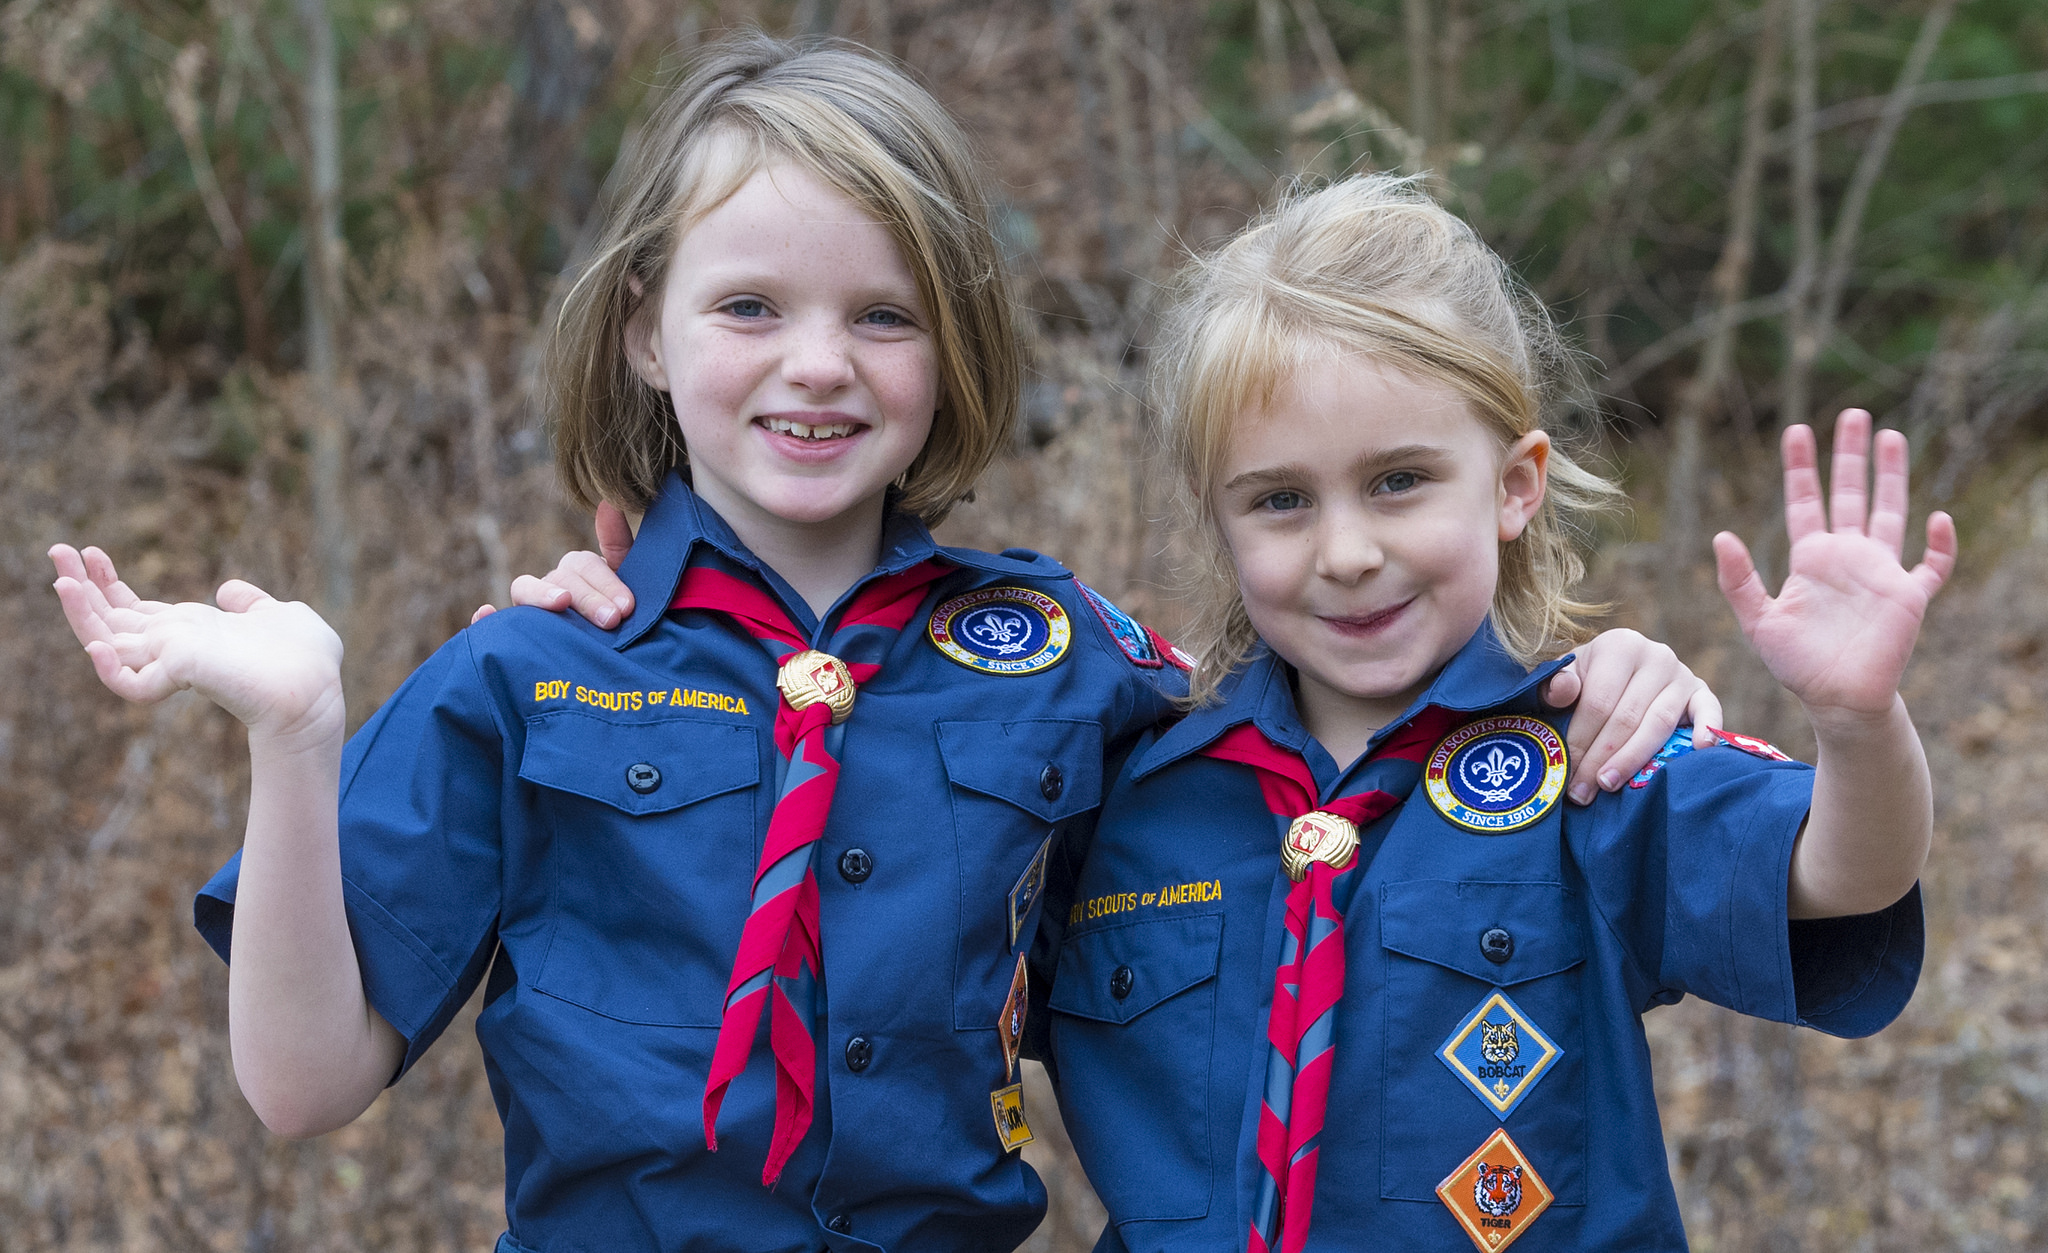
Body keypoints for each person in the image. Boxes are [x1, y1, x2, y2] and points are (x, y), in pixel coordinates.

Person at [53, 39, 1721, 1253]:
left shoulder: (1067, 661)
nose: (817, 365)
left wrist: (1605, 679)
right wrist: (295, 735)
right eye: (748, 306)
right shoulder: (526, 676)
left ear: (954, 344)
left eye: (882, 311)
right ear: (644, 327)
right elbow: (298, 1082)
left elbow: (1333, 769)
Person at [1033, 175, 1953, 1253]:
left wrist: (1855, 722)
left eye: (1398, 480)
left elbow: (1842, 871)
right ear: (1218, 520)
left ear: (1514, 484)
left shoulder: (1590, 756)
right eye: (1280, 499)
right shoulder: (1124, 797)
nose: (1345, 551)